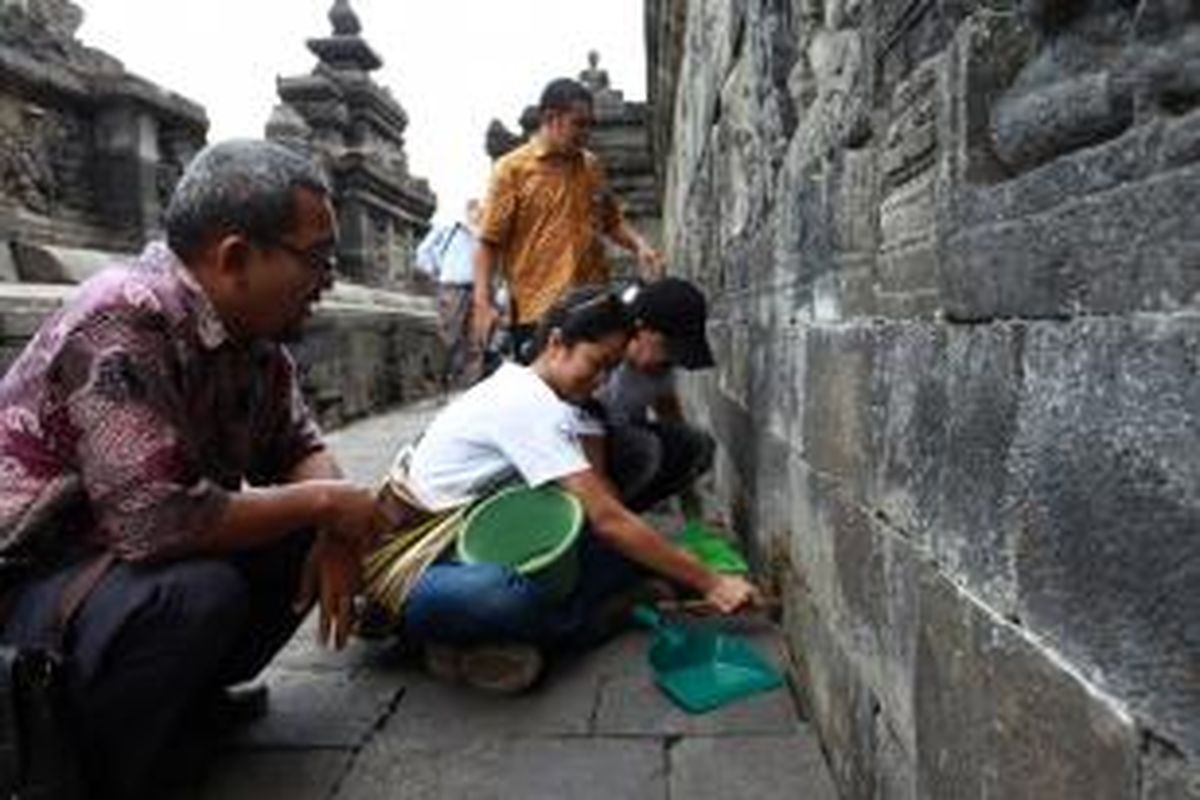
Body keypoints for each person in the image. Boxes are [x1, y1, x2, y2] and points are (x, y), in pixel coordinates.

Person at [0, 139, 385, 798]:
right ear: (235, 258)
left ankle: (176, 704)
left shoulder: (254, 341)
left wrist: (335, 517)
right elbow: (157, 523)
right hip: (32, 581)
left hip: (112, 571)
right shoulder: (123, 314)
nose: (329, 281)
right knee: (195, 594)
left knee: (292, 536)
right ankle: (87, 759)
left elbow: (296, 444)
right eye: (317, 259)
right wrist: (327, 506)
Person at [394, 286, 759, 693]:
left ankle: (491, 645)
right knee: (505, 597)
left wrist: (671, 561)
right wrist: (711, 581)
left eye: (612, 368)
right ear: (556, 344)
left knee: (624, 558)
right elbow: (607, 518)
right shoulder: (527, 404)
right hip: (427, 571)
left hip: (488, 542)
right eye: (596, 363)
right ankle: (574, 624)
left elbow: (599, 510)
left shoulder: (549, 396)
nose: (602, 380)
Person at [471, 77, 666, 364]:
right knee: (544, 399)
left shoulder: (591, 167)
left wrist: (640, 246)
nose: (586, 133)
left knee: (593, 392)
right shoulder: (511, 170)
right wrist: (482, 303)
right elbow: (489, 242)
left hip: (592, 304)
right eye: (579, 124)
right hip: (537, 311)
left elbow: (612, 222)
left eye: (590, 125)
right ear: (551, 118)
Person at [580, 277, 717, 516]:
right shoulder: (598, 363)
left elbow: (669, 413)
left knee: (697, 445)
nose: (668, 362)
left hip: (619, 440)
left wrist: (691, 503)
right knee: (646, 450)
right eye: (667, 348)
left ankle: (627, 514)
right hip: (581, 450)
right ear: (641, 330)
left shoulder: (660, 368)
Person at [414, 198, 485, 389]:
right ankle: (438, 382)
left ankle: (469, 388)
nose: (478, 213)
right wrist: (436, 272)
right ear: (467, 210)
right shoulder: (449, 228)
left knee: (475, 341)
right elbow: (423, 252)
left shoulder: (483, 233)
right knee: (448, 337)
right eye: (475, 209)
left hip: (478, 288)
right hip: (451, 287)